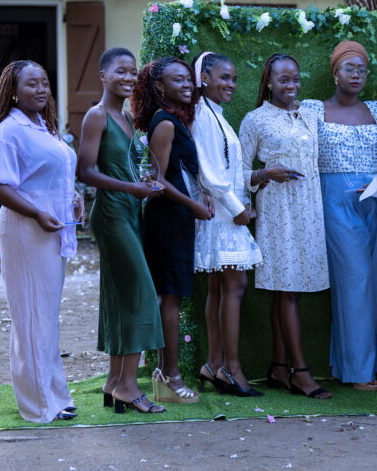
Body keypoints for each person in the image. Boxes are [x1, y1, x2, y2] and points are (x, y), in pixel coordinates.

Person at [0, 60, 79, 422]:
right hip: (25, 232)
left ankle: (56, 395)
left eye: (45, 83)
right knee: (32, 316)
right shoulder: (10, 130)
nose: (41, 89)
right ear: (14, 92)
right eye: (32, 84)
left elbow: (51, 175)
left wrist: (73, 197)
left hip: (50, 231)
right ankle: (38, 406)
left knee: (45, 316)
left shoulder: (44, 127)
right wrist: (36, 212)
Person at [76, 47, 166, 414]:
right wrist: (132, 187)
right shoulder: (96, 116)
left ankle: (114, 382)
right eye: (120, 71)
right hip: (111, 213)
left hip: (131, 210)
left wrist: (142, 185)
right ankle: (129, 385)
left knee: (120, 295)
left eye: (132, 72)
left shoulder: (127, 117)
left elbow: (129, 166)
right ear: (103, 76)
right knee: (142, 294)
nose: (128, 77)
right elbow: (84, 172)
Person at [239, 53, 331, 399]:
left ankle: (279, 368)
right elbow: (238, 170)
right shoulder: (255, 119)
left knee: (286, 290)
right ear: (268, 82)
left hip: (309, 209)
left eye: (295, 79)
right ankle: (302, 373)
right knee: (288, 289)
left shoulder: (310, 115)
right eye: (283, 79)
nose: (291, 85)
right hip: (278, 212)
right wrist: (265, 173)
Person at [301, 41, 377, 390]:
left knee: (375, 284)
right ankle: (361, 373)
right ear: (335, 72)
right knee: (356, 281)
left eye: (361, 69)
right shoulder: (313, 109)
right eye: (349, 68)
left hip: (375, 202)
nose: (356, 74)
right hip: (336, 202)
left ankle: (347, 364)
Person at [132, 57, 211, 403]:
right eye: (177, 80)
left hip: (178, 216)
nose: (187, 84)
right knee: (170, 297)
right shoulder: (164, 123)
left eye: (188, 79)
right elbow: (157, 180)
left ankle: (164, 373)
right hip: (167, 217)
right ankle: (170, 376)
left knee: (171, 295)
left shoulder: (176, 119)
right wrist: (193, 205)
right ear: (160, 87)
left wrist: (200, 196)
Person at [191, 52, 263, 396]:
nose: (231, 84)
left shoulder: (215, 114)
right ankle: (231, 369)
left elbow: (228, 170)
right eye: (224, 77)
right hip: (222, 214)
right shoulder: (202, 114)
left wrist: (245, 198)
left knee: (220, 289)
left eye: (233, 78)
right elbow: (209, 172)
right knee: (234, 286)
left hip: (225, 211)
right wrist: (237, 209)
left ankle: (214, 365)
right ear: (203, 78)